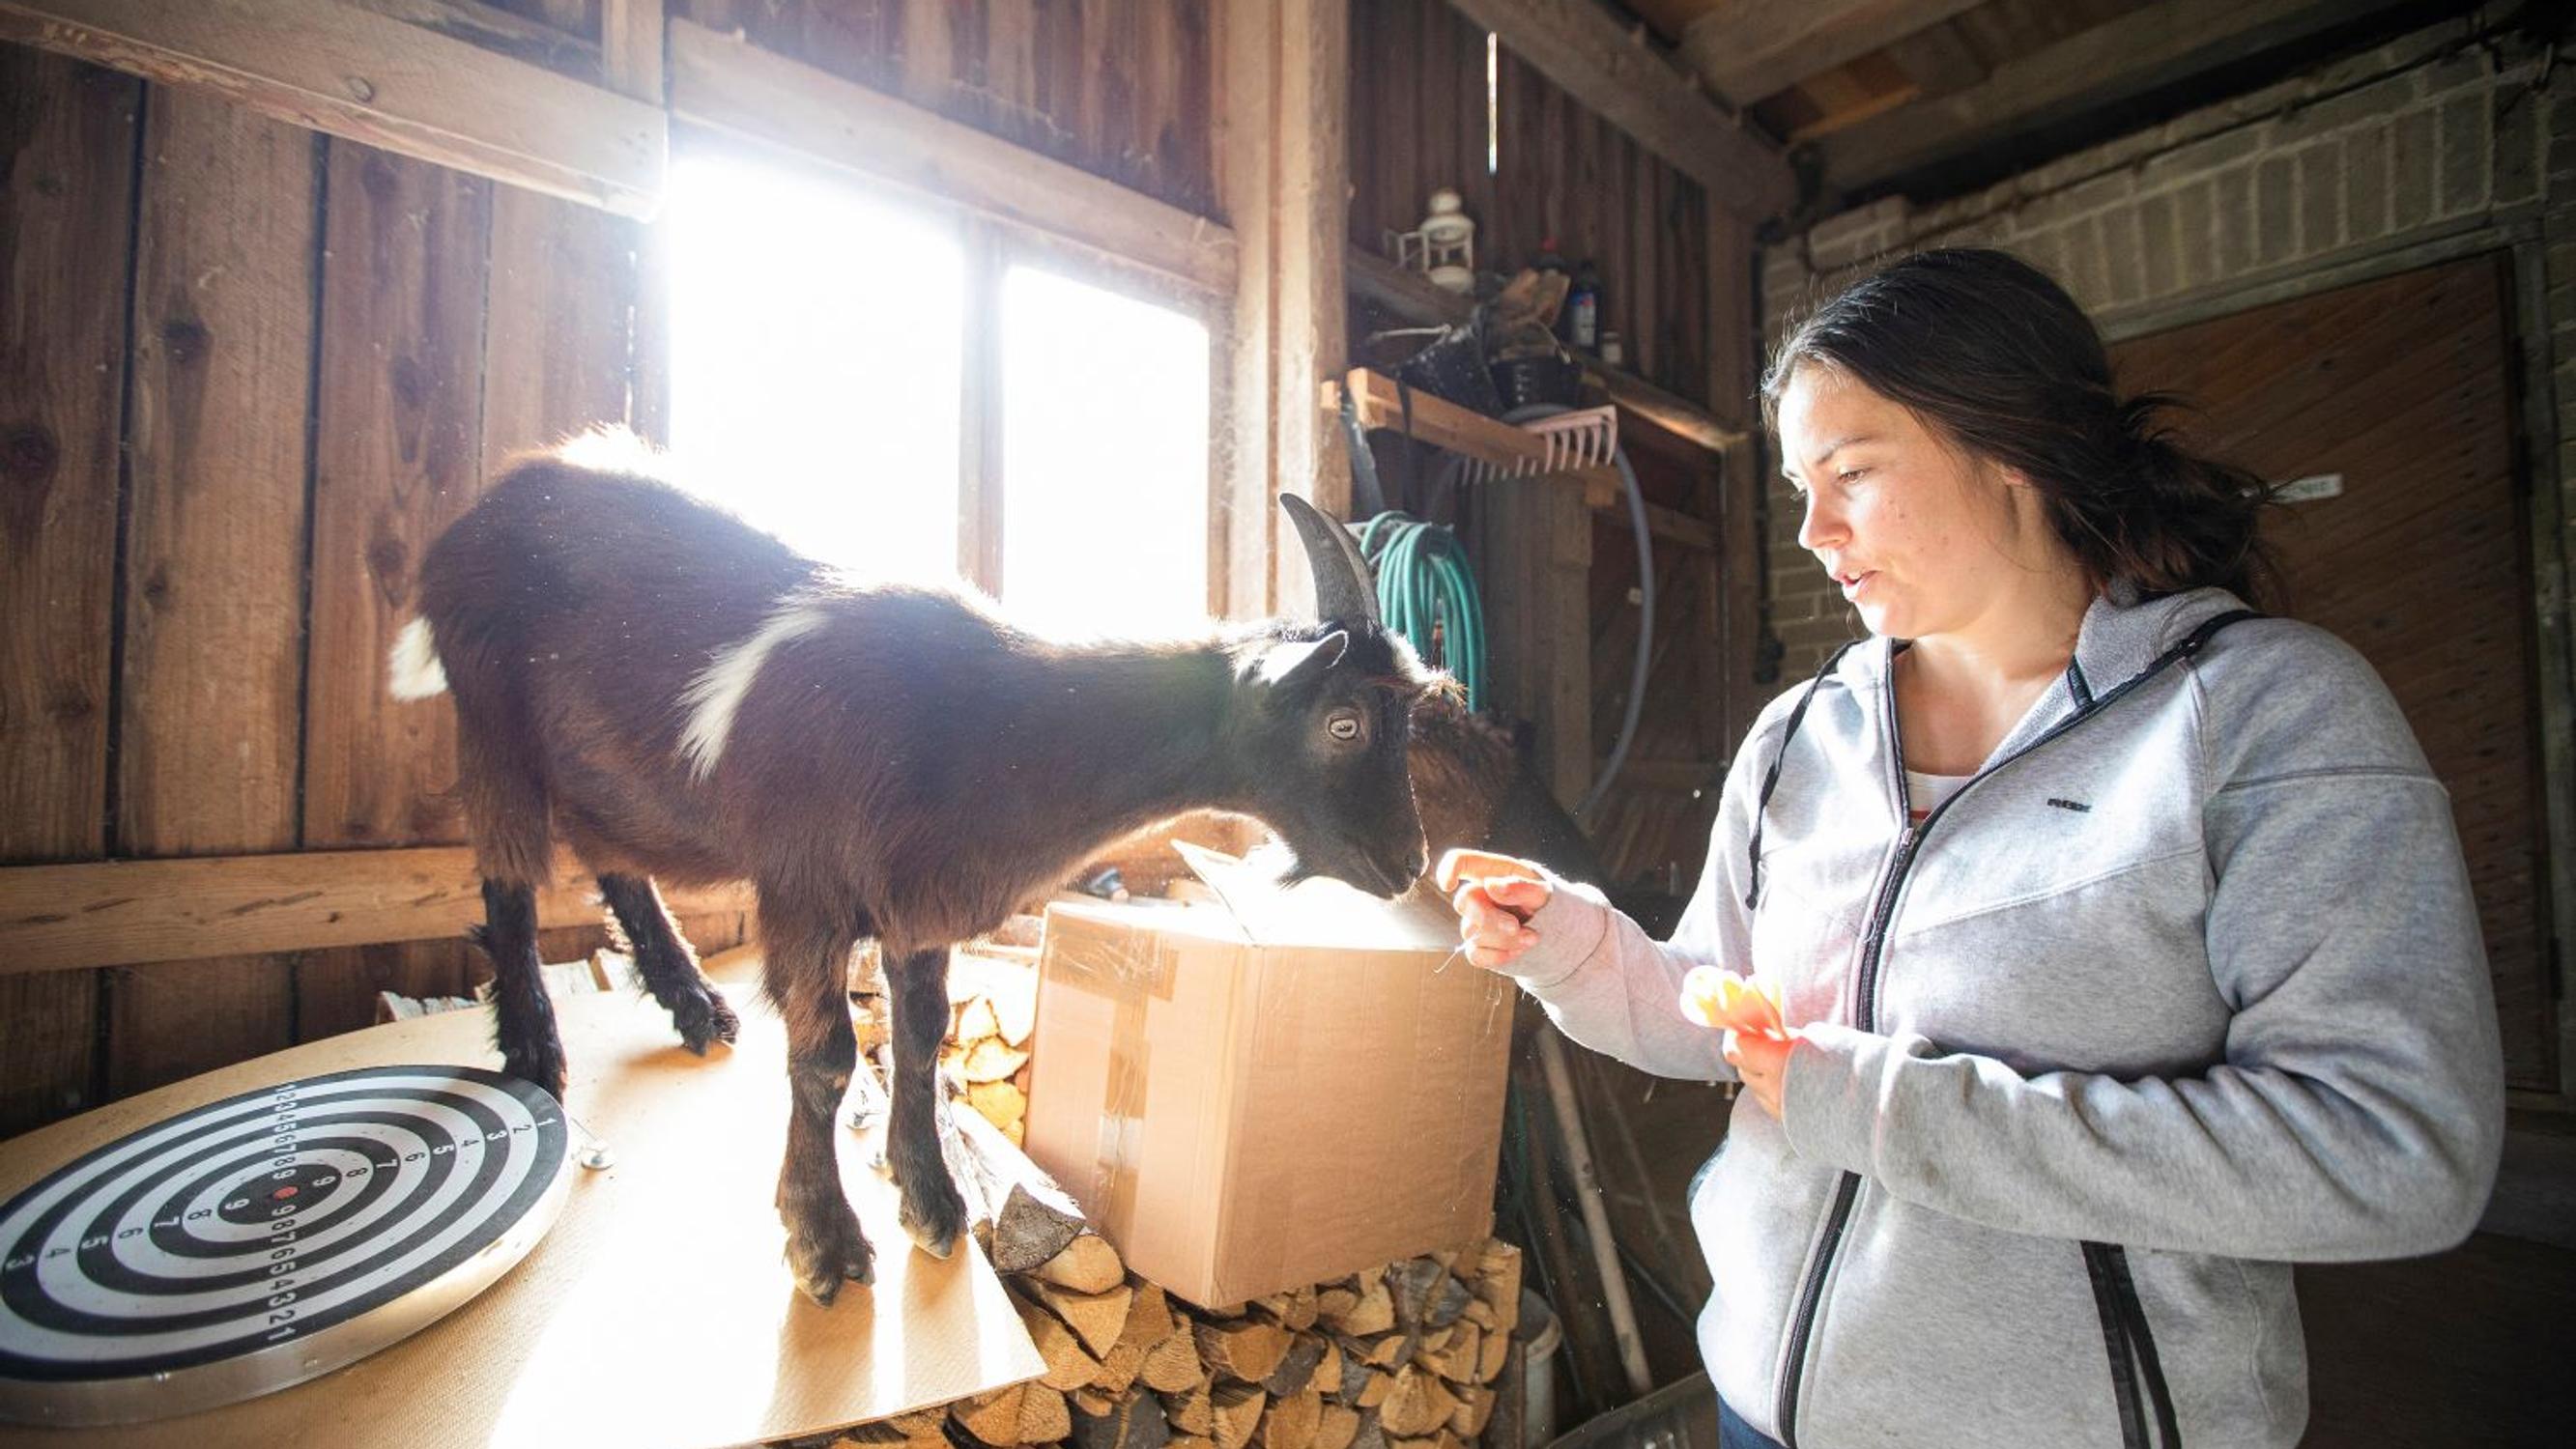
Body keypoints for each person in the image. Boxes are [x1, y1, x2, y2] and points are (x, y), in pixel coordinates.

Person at [1439, 247, 2504, 1449]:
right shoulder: (1801, 736)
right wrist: (1580, 950)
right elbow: (1729, 1026)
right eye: (1799, 486)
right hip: (1760, 1401)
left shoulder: (2258, 715)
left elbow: (2387, 1150)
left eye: (1851, 472)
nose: (1812, 529)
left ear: (2015, 447)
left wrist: (1887, 1113)